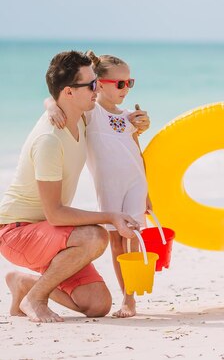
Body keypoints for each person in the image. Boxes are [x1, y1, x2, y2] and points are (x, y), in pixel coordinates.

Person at [0, 51, 140, 323]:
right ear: (68, 92)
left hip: (50, 233)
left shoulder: (82, 118)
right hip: (16, 232)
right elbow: (56, 214)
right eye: (90, 85)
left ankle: (26, 285)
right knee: (94, 237)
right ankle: (36, 298)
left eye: (97, 81)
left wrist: (136, 124)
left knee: (98, 304)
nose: (97, 87)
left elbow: (112, 125)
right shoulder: (50, 140)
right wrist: (111, 216)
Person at [45, 51, 151, 318]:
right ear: (98, 84)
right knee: (117, 241)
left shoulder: (130, 116)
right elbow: (56, 97)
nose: (126, 89)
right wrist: (51, 107)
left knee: (136, 239)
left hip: (136, 183)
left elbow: (137, 152)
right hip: (110, 187)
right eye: (120, 84)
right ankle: (126, 295)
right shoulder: (91, 114)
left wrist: (148, 192)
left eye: (130, 83)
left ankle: (130, 299)